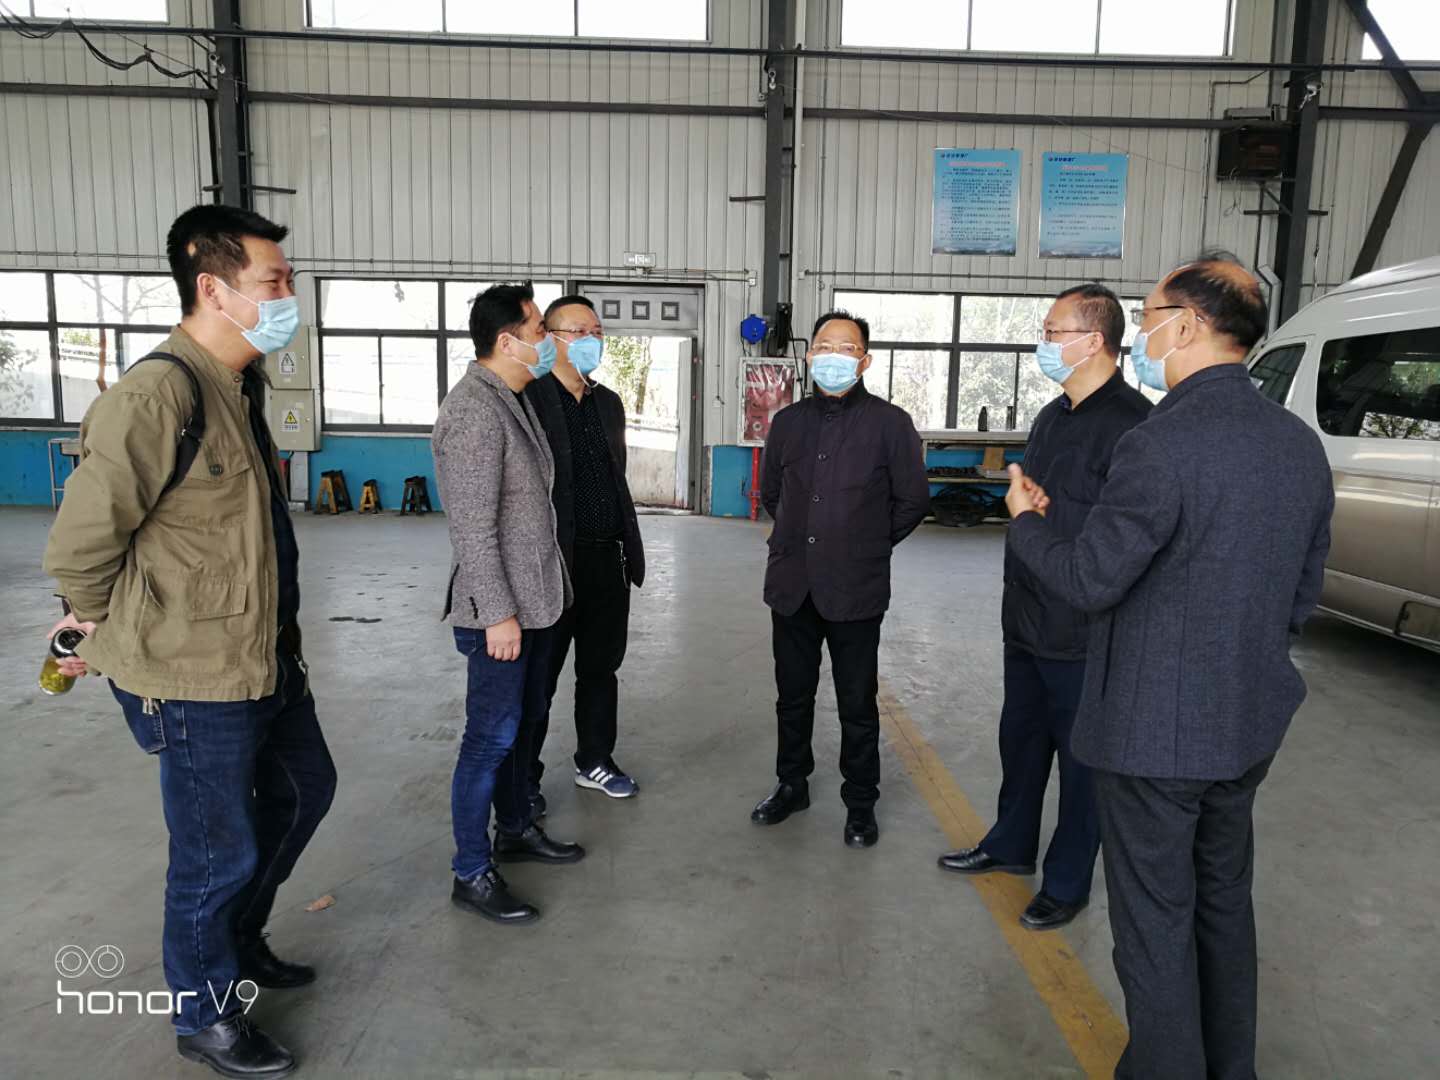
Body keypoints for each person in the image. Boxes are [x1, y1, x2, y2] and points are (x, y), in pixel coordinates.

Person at [1003, 255, 1333, 1078]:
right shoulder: (1298, 445)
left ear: (1186, 326)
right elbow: (1300, 595)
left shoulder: (1159, 442)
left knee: (1154, 924)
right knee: (1222, 904)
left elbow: (1091, 580)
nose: (1141, 335)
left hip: (1153, 738)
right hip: (1247, 725)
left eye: (1148, 317)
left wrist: (1027, 523)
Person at [43, 204, 337, 1079]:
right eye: (273, 282)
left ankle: (237, 942)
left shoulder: (237, 388)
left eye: (289, 281)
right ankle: (204, 1015)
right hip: (189, 674)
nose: (289, 297)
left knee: (305, 789)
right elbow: (80, 548)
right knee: (215, 851)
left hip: (262, 657)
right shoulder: (156, 396)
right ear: (213, 288)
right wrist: (106, 632)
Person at [939, 284, 1151, 931]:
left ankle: (1066, 883)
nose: (1044, 342)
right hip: (1028, 617)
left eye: (1053, 331)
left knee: (1082, 768)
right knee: (1022, 744)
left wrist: (1047, 519)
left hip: (1085, 631)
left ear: (1093, 341)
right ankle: (1010, 844)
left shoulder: (1135, 428)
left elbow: (1123, 540)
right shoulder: (1053, 415)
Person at [433, 282, 585, 927]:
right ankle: (471, 871)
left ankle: (515, 828)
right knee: (489, 739)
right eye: (539, 330)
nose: (548, 341)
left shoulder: (512, 399)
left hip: (537, 602)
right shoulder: (473, 410)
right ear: (507, 341)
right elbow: (473, 529)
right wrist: (498, 614)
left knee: (524, 726)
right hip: (502, 614)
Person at [751, 310, 931, 847]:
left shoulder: (890, 423)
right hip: (793, 586)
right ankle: (791, 784)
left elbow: (912, 501)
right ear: (809, 356)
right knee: (793, 696)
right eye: (825, 346)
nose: (834, 356)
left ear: (865, 361)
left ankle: (860, 802)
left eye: (847, 348)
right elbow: (773, 494)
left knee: (857, 701)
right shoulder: (788, 422)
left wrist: (864, 545)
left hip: (856, 588)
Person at [524, 294, 646, 807]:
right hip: (553, 562)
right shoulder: (528, 399)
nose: (591, 340)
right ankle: (522, 781)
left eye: (597, 332)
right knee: (538, 678)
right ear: (550, 338)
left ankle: (594, 760)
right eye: (578, 332)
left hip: (607, 560)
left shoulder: (608, 403)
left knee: (600, 670)